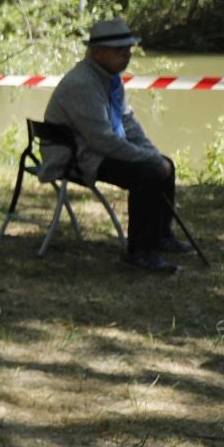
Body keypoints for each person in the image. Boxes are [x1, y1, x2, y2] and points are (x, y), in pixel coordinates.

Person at [41, 18, 188, 273]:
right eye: (119, 51)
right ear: (97, 53)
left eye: (128, 50)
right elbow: (103, 141)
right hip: (78, 157)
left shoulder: (110, 78)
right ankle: (140, 251)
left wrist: (151, 153)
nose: (126, 55)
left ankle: (162, 235)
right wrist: (149, 160)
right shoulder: (83, 84)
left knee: (164, 164)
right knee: (148, 174)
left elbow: (128, 122)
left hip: (92, 148)